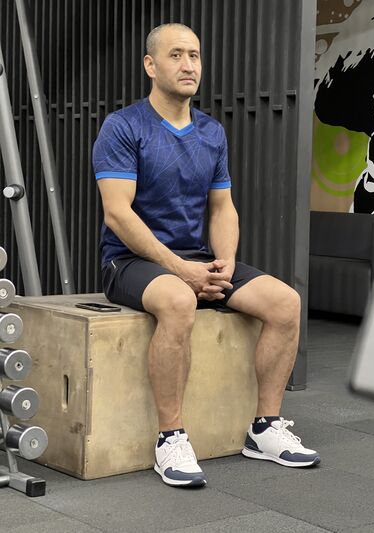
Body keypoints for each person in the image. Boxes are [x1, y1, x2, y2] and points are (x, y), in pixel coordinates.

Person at [92, 23, 320, 488]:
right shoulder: (123, 127)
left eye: (194, 55)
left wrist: (226, 260)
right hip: (129, 262)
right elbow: (117, 214)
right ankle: (170, 437)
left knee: (285, 303)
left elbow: (222, 207)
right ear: (150, 65)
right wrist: (181, 270)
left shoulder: (212, 132)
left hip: (197, 258)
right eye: (175, 55)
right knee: (179, 300)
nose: (188, 65)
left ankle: (265, 427)